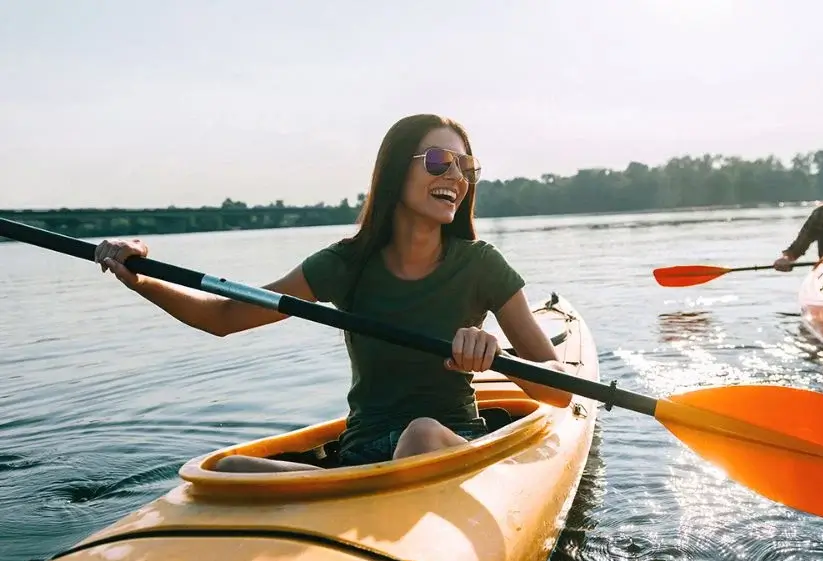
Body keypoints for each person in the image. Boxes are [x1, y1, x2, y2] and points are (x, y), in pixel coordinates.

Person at [92, 113, 573, 473]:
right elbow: (223, 317)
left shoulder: (481, 265)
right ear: (393, 171)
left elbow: (556, 390)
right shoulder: (345, 264)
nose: (455, 176)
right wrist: (141, 277)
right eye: (437, 161)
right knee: (225, 468)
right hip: (361, 454)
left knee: (421, 434)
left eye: (465, 166)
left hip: (446, 443)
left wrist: (493, 356)